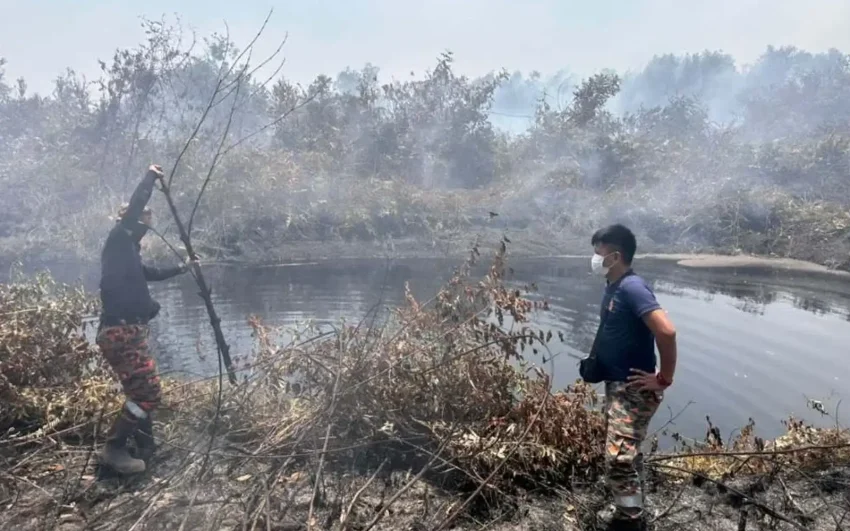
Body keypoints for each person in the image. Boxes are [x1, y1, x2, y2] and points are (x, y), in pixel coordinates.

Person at [97, 164, 194, 474]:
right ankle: (114, 448)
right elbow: (137, 204)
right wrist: (151, 176)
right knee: (148, 393)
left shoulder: (127, 253)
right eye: (144, 222)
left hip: (126, 331)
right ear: (131, 220)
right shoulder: (119, 239)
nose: (147, 228)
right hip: (121, 332)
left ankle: (145, 446)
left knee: (139, 391)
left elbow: (149, 273)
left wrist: (183, 268)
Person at [587, 224, 677, 529]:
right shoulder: (614, 286)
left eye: (598, 251)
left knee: (618, 459)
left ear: (615, 256)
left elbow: (667, 332)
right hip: (619, 386)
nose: (594, 257)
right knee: (628, 455)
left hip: (633, 389)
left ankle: (629, 521)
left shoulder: (632, 288)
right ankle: (633, 509)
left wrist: (663, 378)